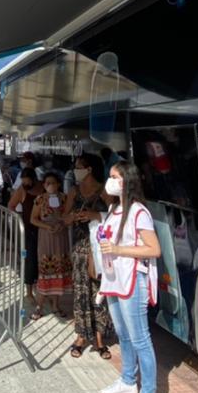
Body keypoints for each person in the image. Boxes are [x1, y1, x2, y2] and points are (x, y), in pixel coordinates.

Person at [96, 161, 161, 393]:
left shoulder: (138, 212)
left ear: (127, 180)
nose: (110, 181)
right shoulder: (114, 209)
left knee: (140, 339)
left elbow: (154, 249)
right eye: (110, 176)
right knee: (123, 334)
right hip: (114, 279)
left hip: (133, 280)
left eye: (115, 176)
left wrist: (118, 250)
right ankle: (127, 380)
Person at [66, 153, 112, 359]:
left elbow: (116, 217)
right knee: (80, 292)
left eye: (78, 166)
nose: (75, 170)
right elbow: (64, 218)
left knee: (100, 292)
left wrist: (95, 216)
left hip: (100, 250)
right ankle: (81, 336)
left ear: (89, 169)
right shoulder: (74, 192)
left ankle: (100, 338)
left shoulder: (104, 190)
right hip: (79, 248)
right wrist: (73, 217)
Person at [30, 171, 74, 319]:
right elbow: (33, 219)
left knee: (59, 271)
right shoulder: (40, 199)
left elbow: (68, 216)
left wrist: (62, 225)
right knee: (45, 271)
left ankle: (56, 305)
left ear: (58, 184)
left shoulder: (64, 198)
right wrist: (47, 226)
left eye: (52, 183)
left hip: (61, 238)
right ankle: (39, 306)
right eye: (47, 183)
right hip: (46, 238)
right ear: (43, 185)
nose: (50, 185)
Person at [7, 166, 41, 303]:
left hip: (43, 229)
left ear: (33, 179)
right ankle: (29, 292)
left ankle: (42, 289)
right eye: (23, 181)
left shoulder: (42, 187)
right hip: (29, 229)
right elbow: (11, 205)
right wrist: (18, 217)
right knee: (30, 260)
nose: (25, 184)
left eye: (27, 181)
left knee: (42, 259)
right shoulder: (22, 190)